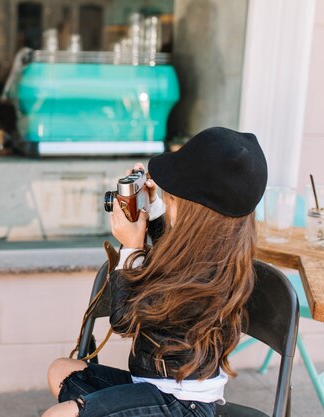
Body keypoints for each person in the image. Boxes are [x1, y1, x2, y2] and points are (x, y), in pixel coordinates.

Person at [43, 127, 268, 417]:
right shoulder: (211, 255)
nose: (166, 198)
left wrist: (132, 247)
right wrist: (157, 211)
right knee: (61, 371)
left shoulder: (204, 283)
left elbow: (124, 320)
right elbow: (177, 252)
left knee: (56, 415)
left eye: (171, 199)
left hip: (182, 406)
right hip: (153, 386)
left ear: (193, 217)